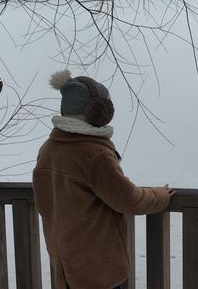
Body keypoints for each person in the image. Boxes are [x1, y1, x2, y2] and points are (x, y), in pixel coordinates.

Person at [33, 70, 174, 289]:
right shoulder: (93, 154)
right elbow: (129, 199)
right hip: (96, 269)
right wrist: (161, 196)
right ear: (98, 112)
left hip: (65, 265)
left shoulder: (49, 149)